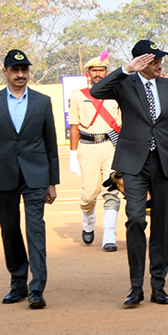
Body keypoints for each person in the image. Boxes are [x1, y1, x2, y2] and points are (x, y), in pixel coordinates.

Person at [91, 39, 168, 308]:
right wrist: (125, 69)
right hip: (132, 163)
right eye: (154, 61)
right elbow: (96, 90)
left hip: (163, 162)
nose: (159, 65)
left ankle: (158, 286)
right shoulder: (124, 84)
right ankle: (135, 287)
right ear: (141, 62)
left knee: (161, 226)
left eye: (159, 60)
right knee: (136, 221)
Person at [0, 49, 60, 309]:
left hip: (36, 177)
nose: (20, 74)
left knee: (35, 231)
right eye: (15, 70)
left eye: (24, 69)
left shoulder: (42, 102)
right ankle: (18, 283)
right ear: (5, 72)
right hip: (3, 177)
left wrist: (52, 182)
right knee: (10, 231)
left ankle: (37, 289)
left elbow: (51, 144)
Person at [69, 54, 123, 251]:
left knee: (112, 190)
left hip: (111, 145)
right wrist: (73, 155)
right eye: (94, 71)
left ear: (107, 73)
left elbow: (123, 124)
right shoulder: (78, 95)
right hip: (87, 147)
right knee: (89, 194)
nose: (98, 73)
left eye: (101, 70)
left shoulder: (117, 93)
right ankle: (89, 219)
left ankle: (109, 236)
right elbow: (74, 127)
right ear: (88, 74)